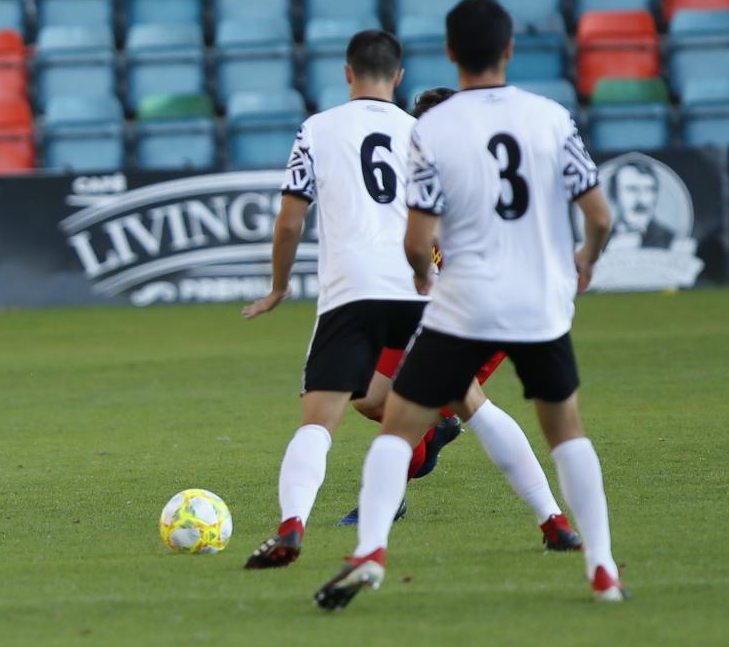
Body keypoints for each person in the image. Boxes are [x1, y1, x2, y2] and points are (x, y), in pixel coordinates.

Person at [314, 0, 625, 608]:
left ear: (451, 53)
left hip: (466, 300)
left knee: (397, 429)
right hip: (540, 300)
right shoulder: (551, 118)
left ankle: (370, 552)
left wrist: (421, 277)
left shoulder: (433, 129)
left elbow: (418, 235)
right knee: (566, 433)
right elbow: (600, 215)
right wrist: (586, 259)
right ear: (509, 50)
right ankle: (599, 564)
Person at [240, 31, 568, 570]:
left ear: (347, 73)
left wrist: (278, 287)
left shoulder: (316, 130)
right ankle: (552, 519)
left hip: (350, 291)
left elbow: (290, 221)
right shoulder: (424, 132)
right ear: (398, 77)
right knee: (473, 404)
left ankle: (291, 526)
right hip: (418, 289)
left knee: (319, 421)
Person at [335, 88, 580, 553]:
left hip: (487, 307)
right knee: (369, 397)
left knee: (464, 399)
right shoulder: (425, 174)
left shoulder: (464, 177)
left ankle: (552, 518)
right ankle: (432, 437)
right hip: (430, 302)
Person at [608, 159, 676, 249]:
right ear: (614, 195)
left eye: (648, 190)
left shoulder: (670, 239)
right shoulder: (599, 238)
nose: (641, 199)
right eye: (632, 189)